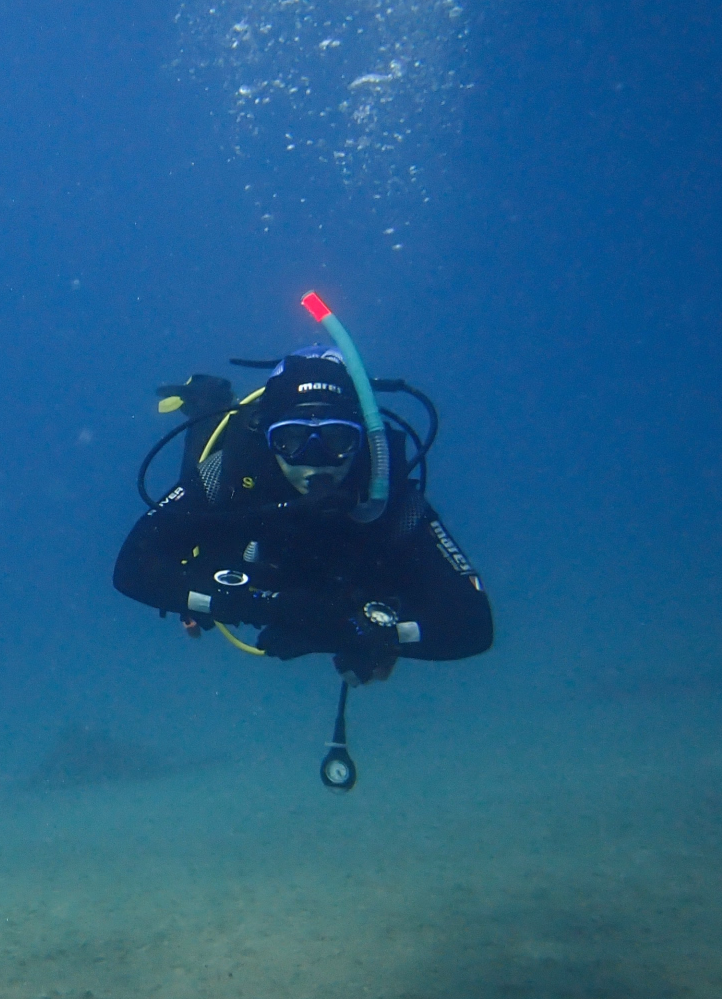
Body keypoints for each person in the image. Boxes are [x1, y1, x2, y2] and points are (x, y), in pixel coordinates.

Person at [113, 304, 491, 784]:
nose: (316, 462)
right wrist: (258, 605)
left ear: (365, 440)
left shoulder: (385, 492)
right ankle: (209, 405)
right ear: (266, 438)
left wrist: (363, 632)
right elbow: (132, 567)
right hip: (247, 562)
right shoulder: (234, 472)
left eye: (336, 440)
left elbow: (474, 624)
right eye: (292, 440)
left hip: (339, 590)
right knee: (203, 513)